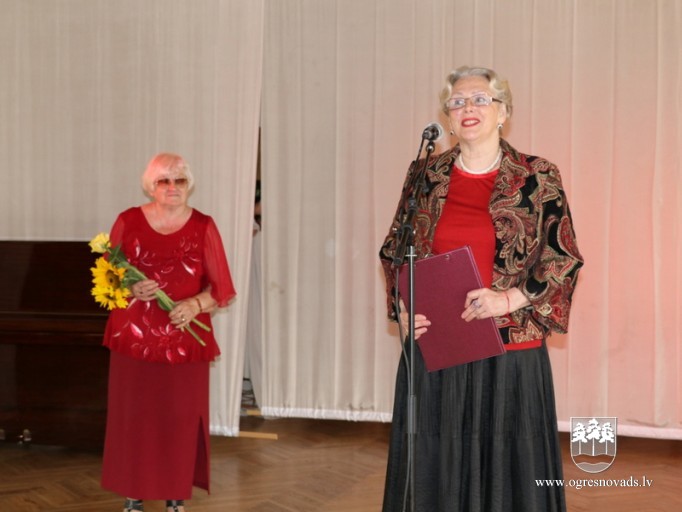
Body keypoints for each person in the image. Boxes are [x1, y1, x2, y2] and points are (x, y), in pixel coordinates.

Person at [379, 66, 583, 511]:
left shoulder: (537, 175)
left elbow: (562, 257)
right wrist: (403, 307)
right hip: (439, 346)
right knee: (436, 468)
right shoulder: (424, 174)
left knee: (510, 473)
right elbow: (395, 251)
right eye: (457, 102)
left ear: (503, 112)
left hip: (510, 349)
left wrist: (508, 299)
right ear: (448, 119)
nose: (467, 107)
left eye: (479, 99)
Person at [100, 153, 236, 512]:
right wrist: (130, 287)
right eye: (164, 181)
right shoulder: (128, 221)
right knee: (134, 419)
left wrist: (194, 305)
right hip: (134, 339)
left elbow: (222, 290)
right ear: (151, 186)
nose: (172, 187)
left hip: (185, 339)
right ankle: (133, 494)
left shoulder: (204, 226)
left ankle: (175, 495)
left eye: (180, 180)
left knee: (179, 420)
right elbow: (107, 278)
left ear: (189, 186)